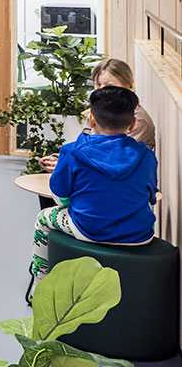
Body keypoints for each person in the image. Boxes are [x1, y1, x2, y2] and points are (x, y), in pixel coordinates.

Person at [27, 85, 157, 302]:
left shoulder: (73, 151)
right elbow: (151, 196)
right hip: (139, 235)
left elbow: (59, 192)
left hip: (89, 229)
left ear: (92, 121)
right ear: (132, 123)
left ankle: (39, 287)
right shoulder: (145, 155)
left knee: (43, 219)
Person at [39, 57, 155, 171]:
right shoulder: (99, 110)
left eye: (109, 86)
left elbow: (116, 161)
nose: (102, 91)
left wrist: (67, 164)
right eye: (98, 85)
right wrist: (61, 159)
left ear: (129, 84)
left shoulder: (138, 121)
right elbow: (88, 146)